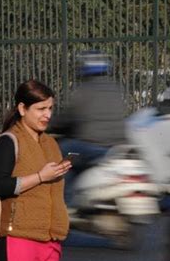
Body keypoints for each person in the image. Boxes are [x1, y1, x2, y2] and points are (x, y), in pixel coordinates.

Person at [0, 80, 72, 261]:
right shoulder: (8, 141)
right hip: (18, 238)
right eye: (41, 109)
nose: (48, 115)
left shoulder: (51, 144)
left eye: (50, 108)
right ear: (22, 109)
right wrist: (41, 176)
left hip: (51, 241)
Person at [50, 50, 126, 206]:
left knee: (63, 157)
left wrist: (50, 125)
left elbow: (68, 119)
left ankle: (66, 203)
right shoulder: (116, 88)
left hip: (91, 146)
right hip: (117, 147)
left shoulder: (83, 91)